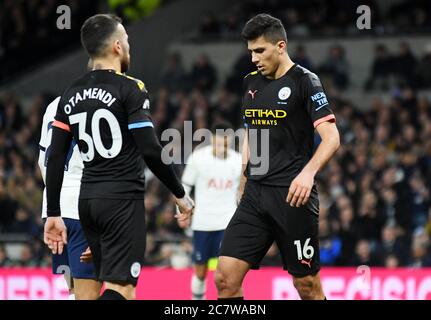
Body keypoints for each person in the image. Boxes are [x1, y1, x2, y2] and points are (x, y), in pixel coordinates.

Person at [43, 14, 194, 300]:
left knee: (97, 290)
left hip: (87, 203)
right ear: (116, 47)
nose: (128, 45)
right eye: (126, 40)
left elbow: (56, 156)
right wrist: (179, 193)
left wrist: (53, 212)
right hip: (121, 201)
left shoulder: (70, 93)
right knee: (122, 289)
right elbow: (150, 149)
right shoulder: (130, 88)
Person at [215, 14, 340, 300]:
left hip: (291, 197)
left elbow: (332, 138)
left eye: (260, 50)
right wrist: (243, 178)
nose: (254, 58)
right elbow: (251, 132)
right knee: (225, 279)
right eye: (250, 52)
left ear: (280, 46)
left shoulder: (305, 81)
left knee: (306, 286)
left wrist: (308, 173)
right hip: (255, 196)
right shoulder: (250, 83)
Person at [38, 95, 101, 300]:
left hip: (54, 208)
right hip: (84, 205)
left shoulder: (54, 105)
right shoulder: (103, 103)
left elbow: (42, 161)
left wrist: (53, 200)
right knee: (88, 294)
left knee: (73, 290)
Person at [179, 121, 242, 300]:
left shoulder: (238, 161)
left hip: (228, 224)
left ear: (230, 140)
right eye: (218, 139)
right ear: (212, 139)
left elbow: (244, 192)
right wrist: (182, 210)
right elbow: (184, 187)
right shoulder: (198, 158)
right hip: (203, 223)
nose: (222, 143)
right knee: (200, 270)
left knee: (228, 273)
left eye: (225, 140)